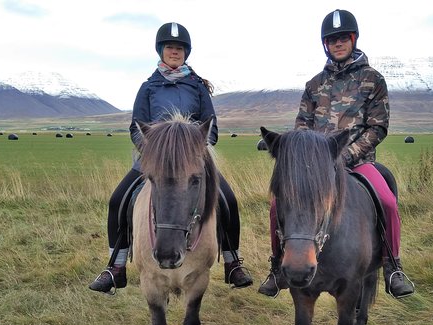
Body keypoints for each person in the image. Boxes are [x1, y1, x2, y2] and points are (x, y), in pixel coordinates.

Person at [258, 9, 414, 299]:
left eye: (343, 38)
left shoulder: (373, 79)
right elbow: (302, 128)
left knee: (388, 202)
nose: (338, 43)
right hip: (316, 169)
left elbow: (378, 127)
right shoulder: (314, 85)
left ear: (353, 40)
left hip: (358, 164)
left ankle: (393, 265)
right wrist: (311, 161)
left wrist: (345, 156)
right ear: (325, 44)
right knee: (277, 206)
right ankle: (277, 266)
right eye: (332, 40)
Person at [89, 22, 253, 294]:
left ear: (185, 53)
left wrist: (196, 152)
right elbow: (136, 126)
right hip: (154, 161)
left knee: (229, 200)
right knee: (118, 200)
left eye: (179, 48)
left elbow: (210, 128)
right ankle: (115, 266)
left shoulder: (197, 87)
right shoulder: (148, 87)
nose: (174, 52)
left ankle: (232, 260)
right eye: (170, 48)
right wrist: (154, 152)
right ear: (161, 51)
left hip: (192, 161)